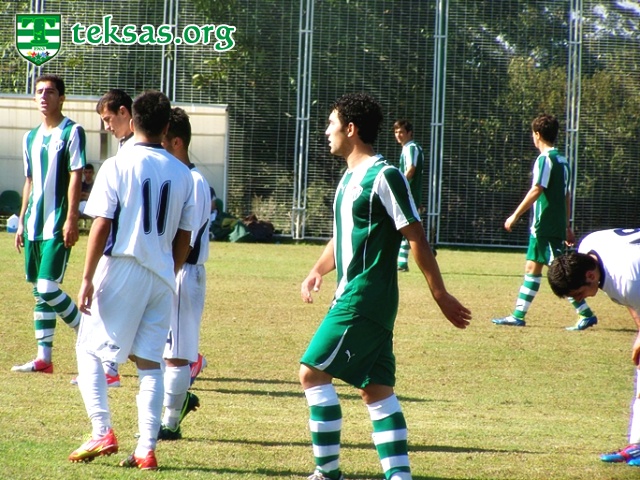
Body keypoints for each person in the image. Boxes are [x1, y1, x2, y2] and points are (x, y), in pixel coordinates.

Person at [299, 93, 471, 480]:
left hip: (365, 297)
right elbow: (344, 235)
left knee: (311, 373)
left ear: (350, 129)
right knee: (376, 390)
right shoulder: (349, 177)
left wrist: (440, 294)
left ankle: (327, 473)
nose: (326, 131)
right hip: (354, 295)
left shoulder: (384, 176)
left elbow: (416, 237)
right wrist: (317, 270)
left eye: (331, 124)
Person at [68, 90, 196, 470]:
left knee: (87, 348)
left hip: (123, 265)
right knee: (150, 364)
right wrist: (169, 270)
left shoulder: (117, 164)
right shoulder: (183, 173)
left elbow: (102, 224)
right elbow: (185, 235)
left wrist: (87, 277)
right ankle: (146, 448)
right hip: (162, 275)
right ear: (167, 126)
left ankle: (101, 430)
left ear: (133, 119)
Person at [492, 114, 597, 330]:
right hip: (553, 225)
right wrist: (566, 225)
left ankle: (586, 313)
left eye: (533, 134)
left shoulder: (545, 160)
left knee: (561, 273)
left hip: (545, 225)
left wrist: (515, 215)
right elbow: (566, 195)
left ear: (537, 134)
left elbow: (536, 189)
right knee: (532, 267)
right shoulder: (563, 161)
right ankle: (518, 315)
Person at [12, 74, 86, 374]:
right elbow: (29, 181)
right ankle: (44, 359)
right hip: (33, 224)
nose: (44, 96)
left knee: (47, 287)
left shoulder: (72, 131)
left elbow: (76, 174)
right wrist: (21, 221)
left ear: (62, 98)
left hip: (57, 223)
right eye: (39, 92)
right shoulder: (29, 138)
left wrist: (71, 218)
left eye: (51, 92)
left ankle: (86, 331)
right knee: (38, 291)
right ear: (34, 98)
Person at [547, 228, 640, 466]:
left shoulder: (627, 279)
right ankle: (637, 445)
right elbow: (633, 300)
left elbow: (631, 290)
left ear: (590, 275)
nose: (579, 299)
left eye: (579, 293)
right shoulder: (589, 245)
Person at [71, 89, 134, 388]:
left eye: (108, 119)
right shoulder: (130, 147)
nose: (107, 126)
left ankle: (107, 370)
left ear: (124, 112)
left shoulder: (133, 151)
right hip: (136, 248)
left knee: (100, 306)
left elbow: (105, 217)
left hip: (122, 247)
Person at [157, 107, 212, 440]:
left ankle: (169, 423)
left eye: (162, 141)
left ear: (176, 142)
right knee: (160, 351)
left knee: (176, 355)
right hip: (170, 270)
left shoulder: (194, 181)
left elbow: (186, 241)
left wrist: (170, 272)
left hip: (183, 271)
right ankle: (177, 403)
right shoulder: (176, 177)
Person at [393, 119, 424, 272]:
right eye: (396, 132)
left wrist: (400, 185)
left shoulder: (411, 148)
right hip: (411, 193)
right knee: (408, 227)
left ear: (409, 133)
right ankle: (402, 262)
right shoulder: (410, 147)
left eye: (401, 132)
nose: (398, 135)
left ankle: (401, 263)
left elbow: (411, 168)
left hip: (408, 194)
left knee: (406, 227)